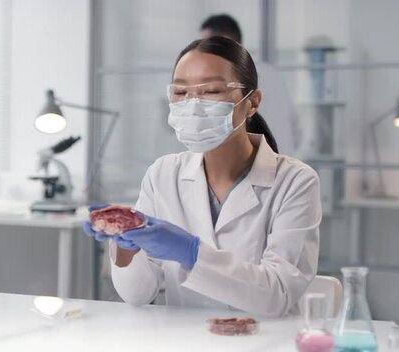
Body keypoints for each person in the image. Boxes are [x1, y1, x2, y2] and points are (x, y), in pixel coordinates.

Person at [83, 36, 321, 317]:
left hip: (264, 343)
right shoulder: (163, 174)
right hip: (188, 345)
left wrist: (191, 253)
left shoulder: (295, 182)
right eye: (181, 93)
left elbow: (277, 294)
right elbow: (137, 295)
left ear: (252, 101)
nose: (193, 105)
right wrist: (127, 245)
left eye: (211, 91)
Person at [201, 13, 300, 155]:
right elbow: (296, 128)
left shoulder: (230, 77)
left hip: (253, 166)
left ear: (224, 41)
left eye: (206, 45)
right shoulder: (272, 73)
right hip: (282, 162)